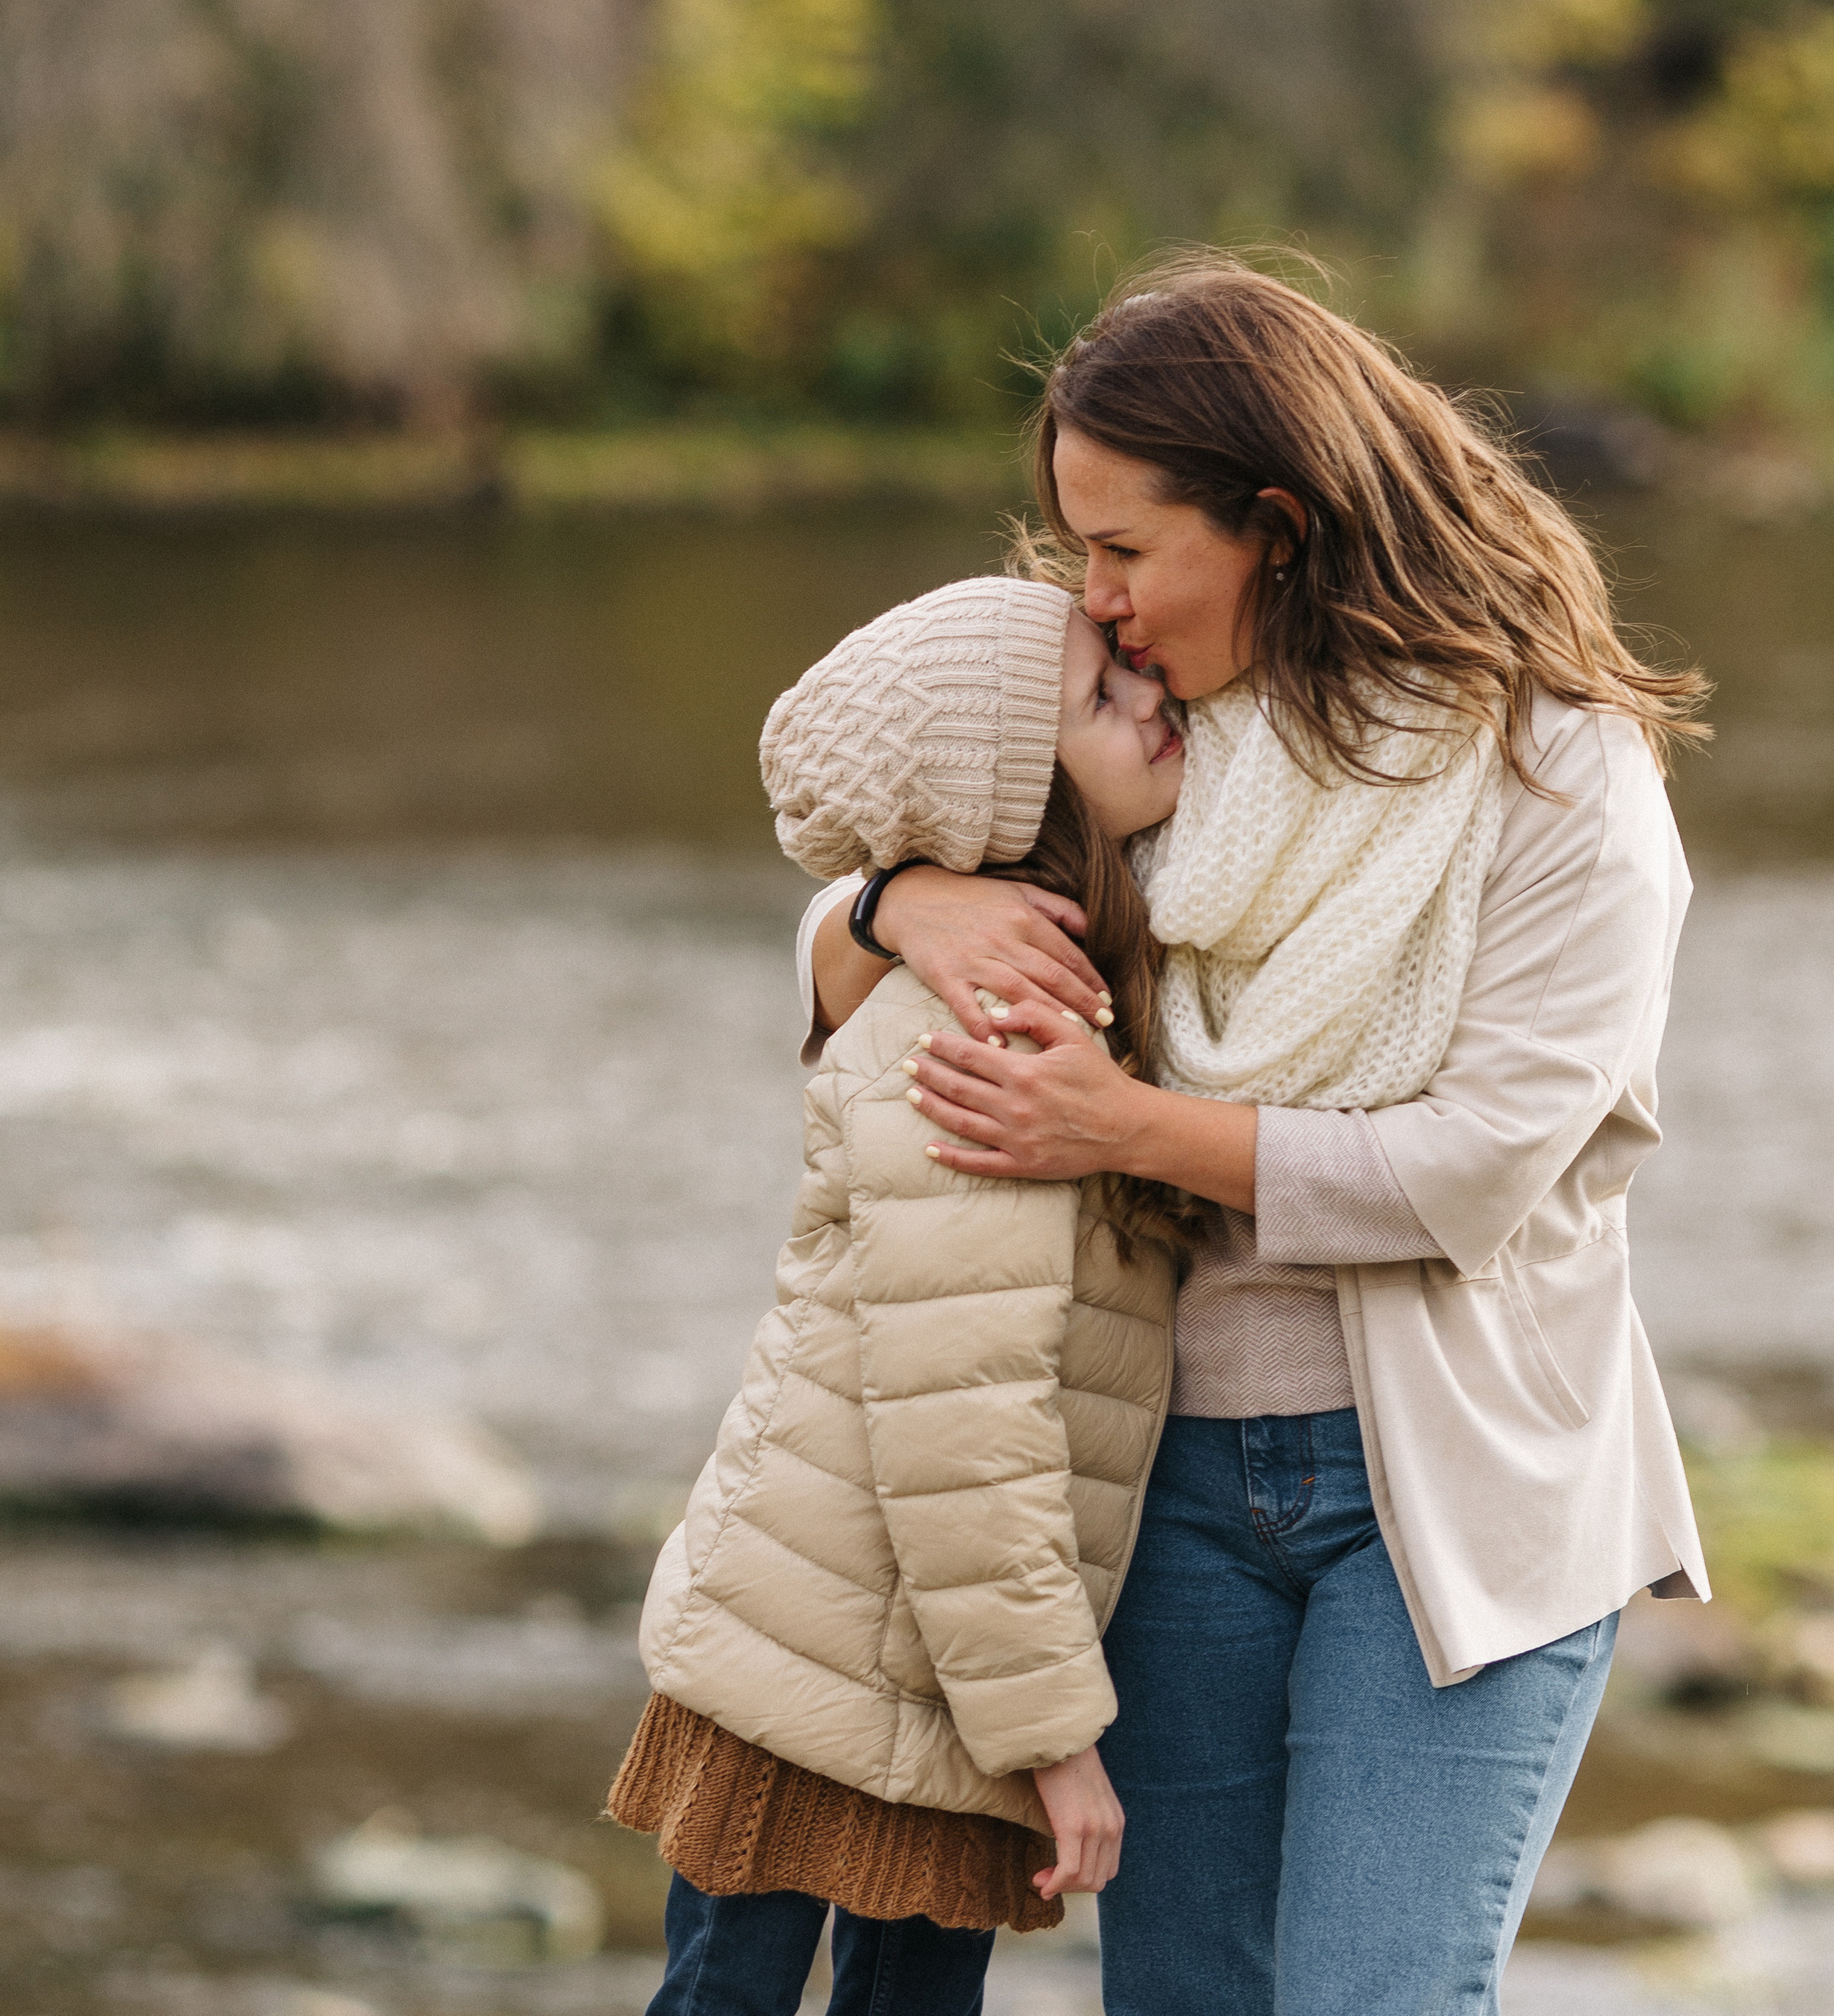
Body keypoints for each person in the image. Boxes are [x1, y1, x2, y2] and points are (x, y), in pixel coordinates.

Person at [802, 256, 1712, 2016]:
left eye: (1125, 550)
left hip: (1453, 1496)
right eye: (1077, 549)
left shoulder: (1558, 775)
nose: (1093, 598)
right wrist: (902, 901)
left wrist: (1125, 1124)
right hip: (1160, 1493)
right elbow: (825, 960)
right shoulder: (1136, 733)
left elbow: (1470, 1168)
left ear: (1276, 528)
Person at [608, 573, 1203, 2016]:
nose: (1153, 696)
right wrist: (1055, 1737)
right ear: (1019, 803)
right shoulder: (993, 1028)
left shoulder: (1060, 983)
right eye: (1102, 698)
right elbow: (960, 1420)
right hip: (823, 1656)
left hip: (929, 1671)